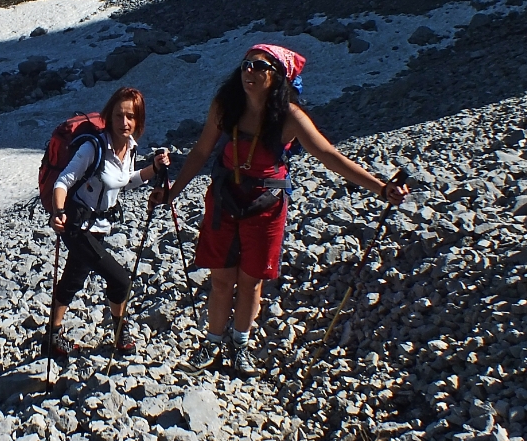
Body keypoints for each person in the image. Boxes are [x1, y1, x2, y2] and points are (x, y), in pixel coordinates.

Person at [151, 44, 408, 376]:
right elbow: (200, 152)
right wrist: (174, 192)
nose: (249, 72)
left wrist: (380, 188)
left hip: (264, 205)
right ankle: (214, 343)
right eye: (246, 65)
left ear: (277, 76)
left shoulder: (290, 117)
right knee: (222, 279)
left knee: (250, 280)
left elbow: (329, 156)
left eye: (259, 67)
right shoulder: (226, 106)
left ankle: (237, 346)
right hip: (228, 198)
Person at [47, 86, 170, 357]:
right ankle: (119, 333)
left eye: (130, 116)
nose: (124, 122)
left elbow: (126, 182)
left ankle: (52, 337)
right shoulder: (94, 148)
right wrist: (57, 212)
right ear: (109, 117)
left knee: (74, 277)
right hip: (76, 225)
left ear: (138, 120)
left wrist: (155, 169)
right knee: (121, 280)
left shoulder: (129, 149)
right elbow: (64, 181)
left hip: (98, 226)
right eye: (118, 116)